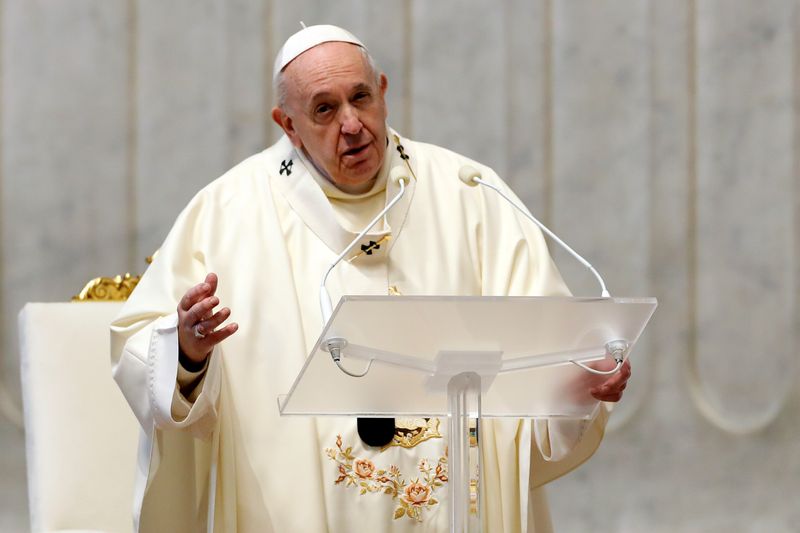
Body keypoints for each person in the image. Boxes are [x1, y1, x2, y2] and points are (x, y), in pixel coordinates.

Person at [111, 24, 631, 533]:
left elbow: (549, 345)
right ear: (287, 125)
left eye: (361, 97)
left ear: (383, 93)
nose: (353, 123)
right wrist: (187, 352)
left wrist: (577, 382)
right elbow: (138, 344)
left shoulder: (470, 193)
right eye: (324, 109)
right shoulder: (227, 212)